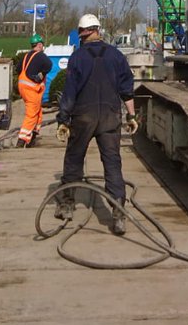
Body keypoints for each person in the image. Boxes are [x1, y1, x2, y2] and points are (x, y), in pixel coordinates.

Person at [55, 13, 138, 235]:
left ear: (84, 32)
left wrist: (63, 120)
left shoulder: (78, 58)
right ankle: (118, 214)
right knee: (112, 163)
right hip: (110, 117)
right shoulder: (116, 56)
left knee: (74, 159)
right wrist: (131, 116)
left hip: (84, 117)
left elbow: (70, 93)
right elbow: (127, 89)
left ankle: (67, 206)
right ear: (99, 30)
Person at [16, 33, 53, 148]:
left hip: (23, 87)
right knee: (31, 114)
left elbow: (18, 68)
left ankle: (33, 134)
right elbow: (49, 65)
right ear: (40, 44)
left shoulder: (26, 56)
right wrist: (41, 74)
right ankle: (22, 140)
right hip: (32, 89)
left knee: (38, 112)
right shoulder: (40, 56)